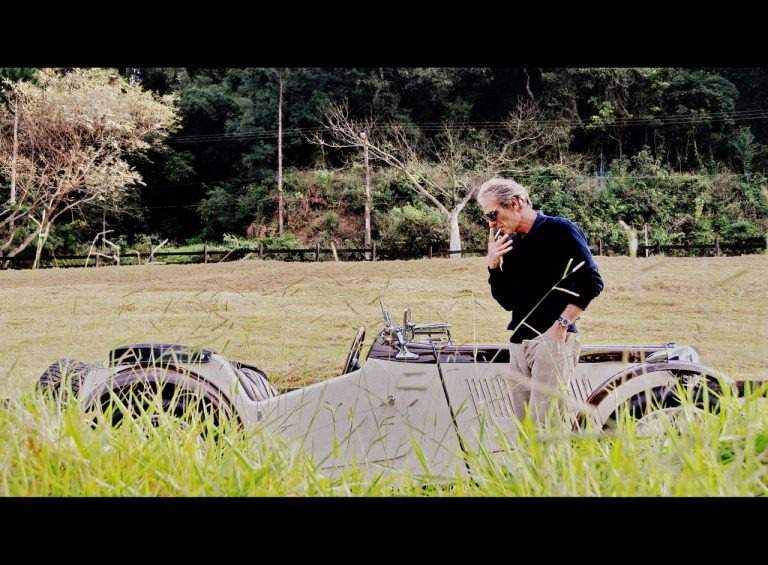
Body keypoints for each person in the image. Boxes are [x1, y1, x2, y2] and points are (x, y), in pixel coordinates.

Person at [476, 177, 604, 429]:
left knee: (546, 428)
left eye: (492, 215)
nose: (490, 224)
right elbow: (508, 301)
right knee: (525, 430)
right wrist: (493, 267)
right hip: (518, 342)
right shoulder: (511, 242)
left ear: (514, 203)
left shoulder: (561, 230)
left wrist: (561, 325)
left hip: (551, 340)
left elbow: (592, 282)